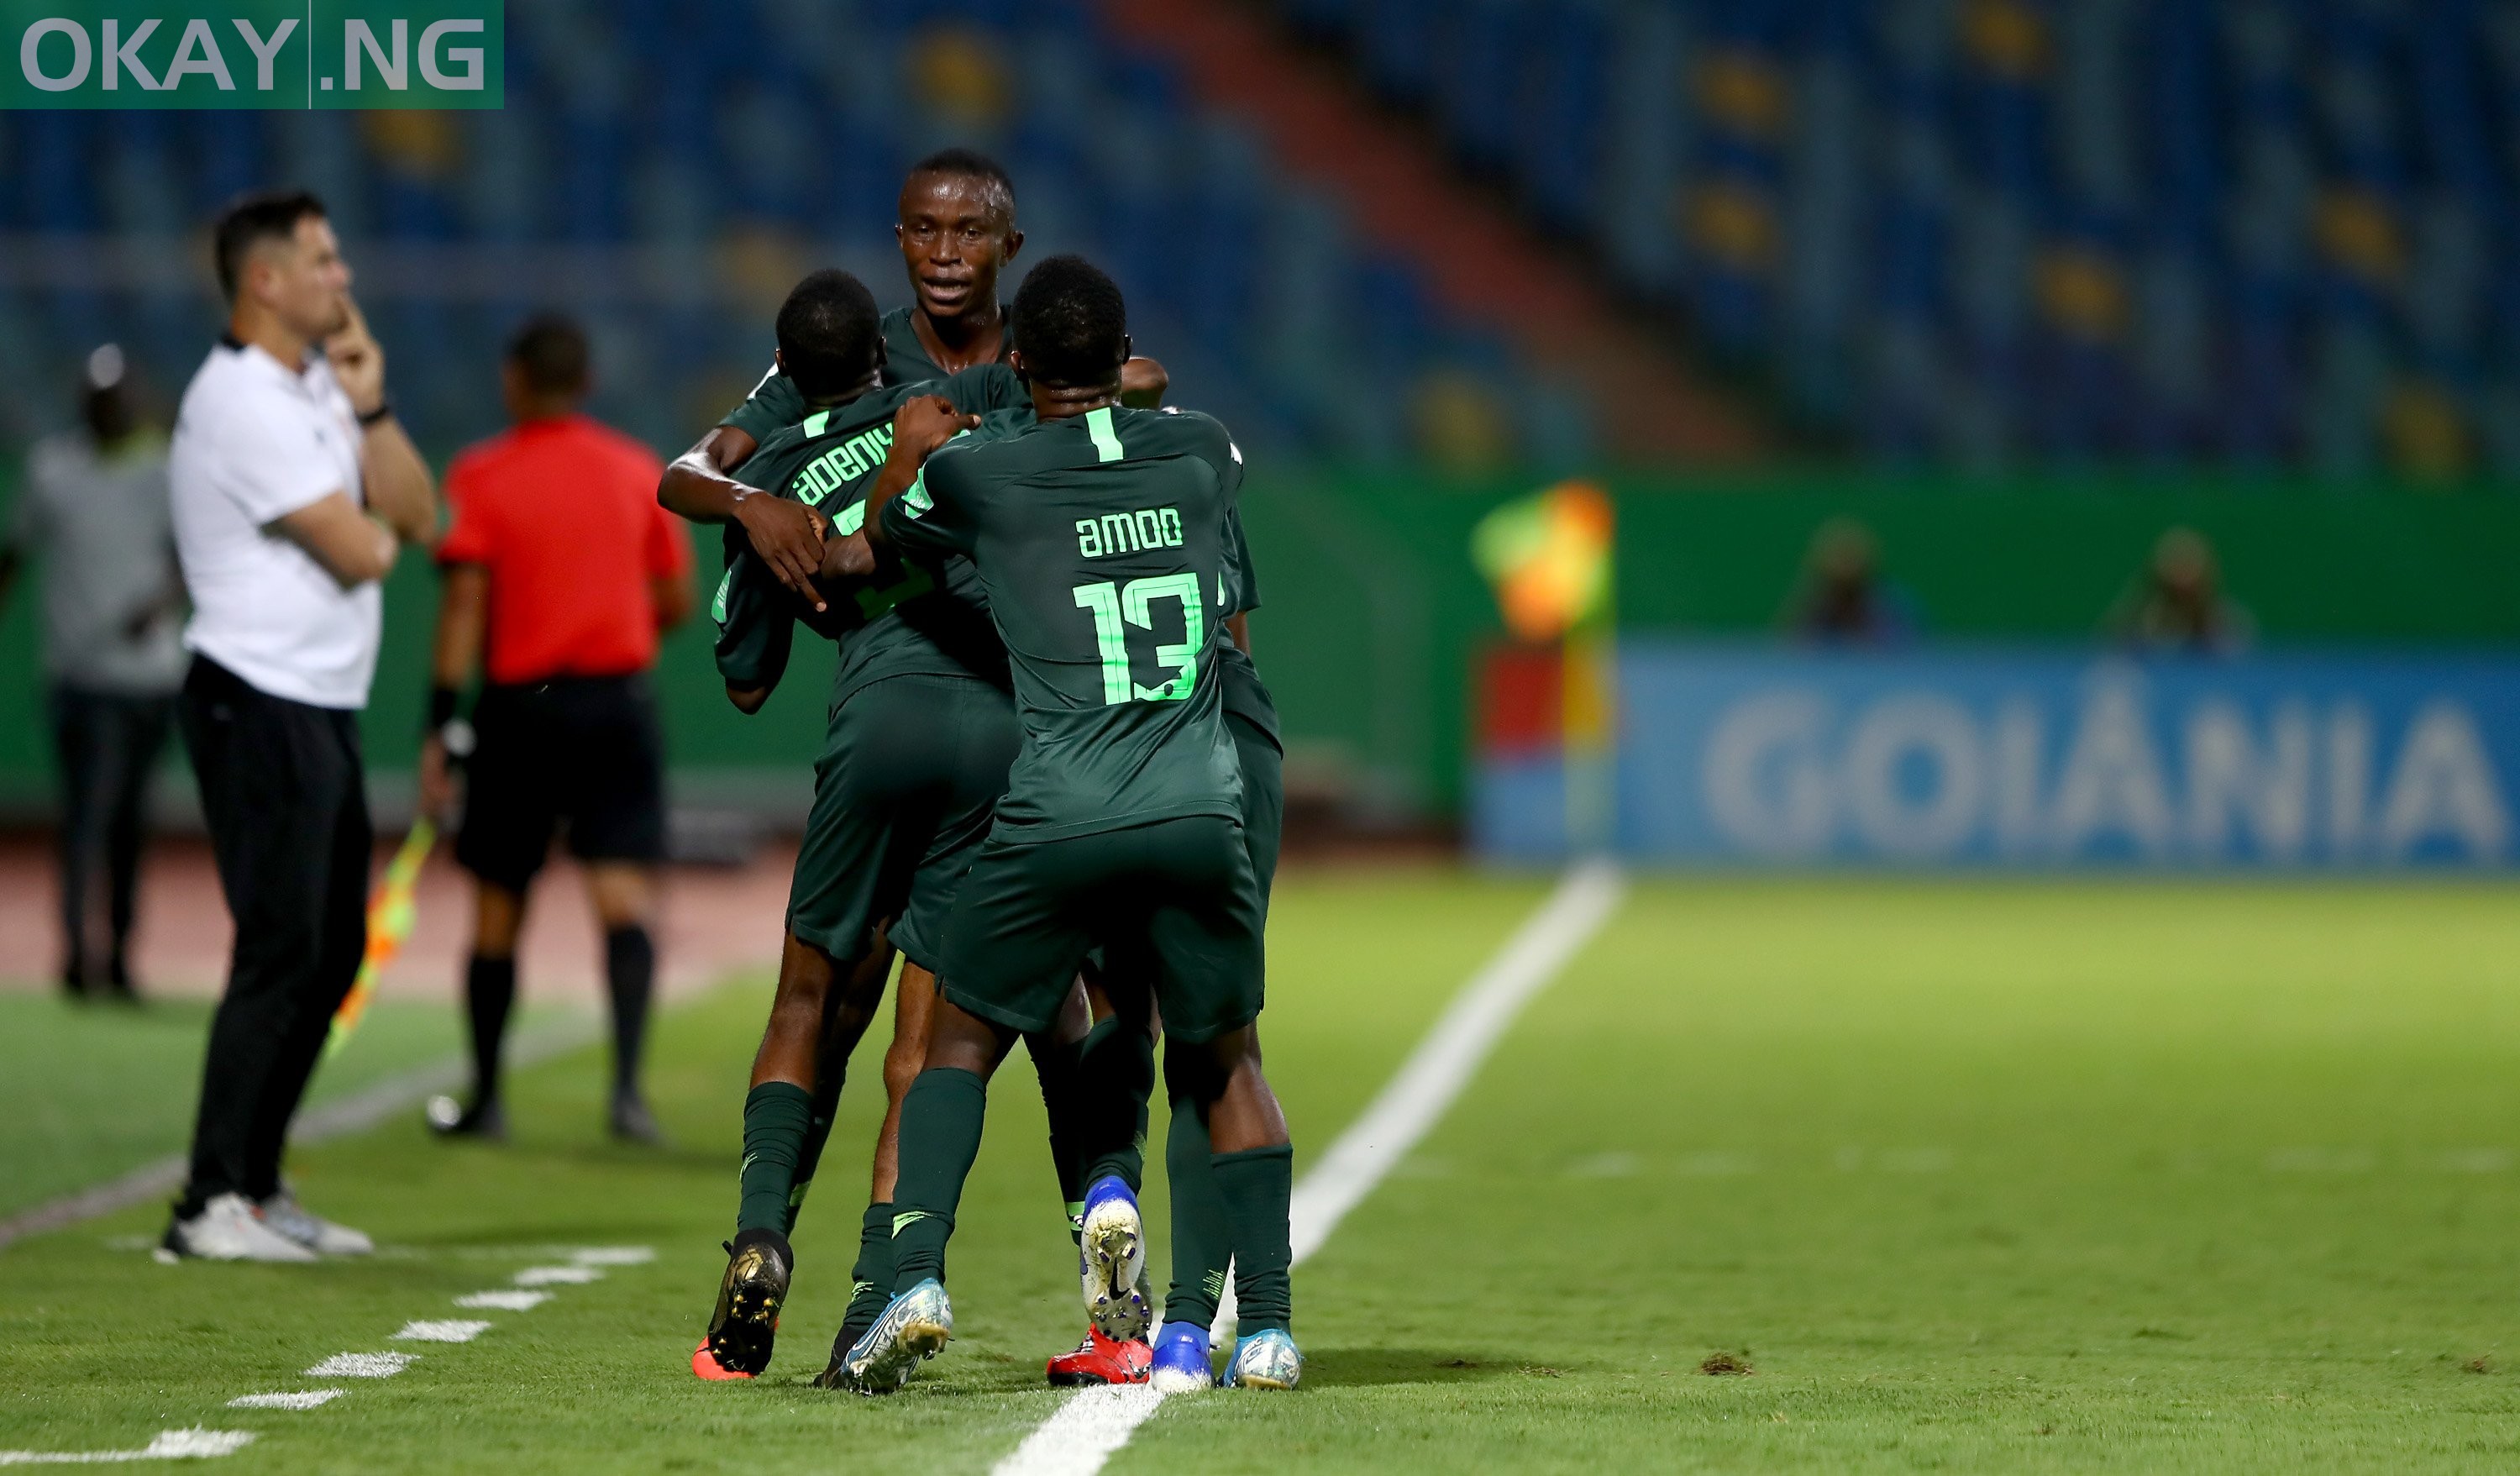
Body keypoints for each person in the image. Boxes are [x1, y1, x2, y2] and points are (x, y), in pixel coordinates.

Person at [838, 255, 1300, 1395]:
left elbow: (891, 537)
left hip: (1059, 815)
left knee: (957, 1040)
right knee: (1225, 1054)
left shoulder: (982, 472)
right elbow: (1180, 459)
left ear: (1021, 363)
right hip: (1199, 805)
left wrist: (906, 453)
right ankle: (1270, 1331)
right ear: (1123, 355)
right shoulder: (1200, 453)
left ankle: (914, 1276)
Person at [681, 270, 1126, 1386]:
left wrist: (758, 517)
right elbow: (1110, 389)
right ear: (884, 363)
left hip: (875, 727)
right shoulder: (956, 417)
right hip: (1002, 731)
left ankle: (757, 1238)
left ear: (787, 378)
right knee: (927, 1046)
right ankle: (884, 1294)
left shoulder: (772, 479)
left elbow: (741, 676)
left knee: (804, 1000)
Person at [160, 190, 438, 1262]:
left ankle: (258, 1185)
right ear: (264, 280)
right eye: (324, 260)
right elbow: (364, 551)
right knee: (280, 949)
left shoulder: (319, 385)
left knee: (325, 959)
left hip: (314, 704)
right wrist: (371, 512)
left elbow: (415, 517)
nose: (345, 278)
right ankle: (205, 1201)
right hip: (252, 692)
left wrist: (370, 412)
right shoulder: (238, 401)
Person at [417, 313, 694, 1145]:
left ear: (514, 380)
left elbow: (465, 604)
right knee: (621, 896)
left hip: (520, 709)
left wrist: (440, 724)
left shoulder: (482, 474)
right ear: (587, 383)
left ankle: (488, 1096)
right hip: (615, 701)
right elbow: (675, 600)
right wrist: (612, 630)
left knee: (499, 905)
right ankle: (628, 1094)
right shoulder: (634, 469)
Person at [0, 345, 185, 1001]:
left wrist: (160, 604)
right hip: (81, 676)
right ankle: (79, 950)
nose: (109, 409)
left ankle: (121, 952)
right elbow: (14, 555)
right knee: (87, 816)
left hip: (150, 677)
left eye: (118, 398)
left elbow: (191, 561)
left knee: (131, 823)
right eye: (98, 398)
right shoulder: (53, 471)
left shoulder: (163, 472)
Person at [2104, 526, 2256, 654]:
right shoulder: (2139, 617)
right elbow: (2114, 654)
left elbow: (2236, 661)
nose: (2183, 581)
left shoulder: (2223, 620)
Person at [1782, 517, 1919, 646]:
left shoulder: (1886, 607)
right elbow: (1796, 649)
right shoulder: (1815, 609)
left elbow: (1905, 649)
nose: (1845, 567)